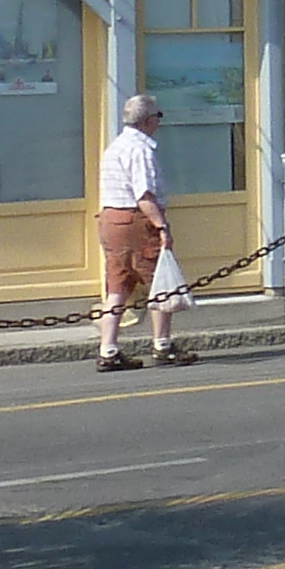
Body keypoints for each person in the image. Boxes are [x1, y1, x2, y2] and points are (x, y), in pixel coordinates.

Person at [96, 93, 174, 370]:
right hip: (135, 221)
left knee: (117, 286)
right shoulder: (140, 150)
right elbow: (144, 196)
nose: (159, 122)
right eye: (158, 116)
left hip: (111, 219)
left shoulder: (115, 147)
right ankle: (163, 345)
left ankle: (108, 349)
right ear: (148, 120)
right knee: (159, 282)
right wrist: (161, 227)